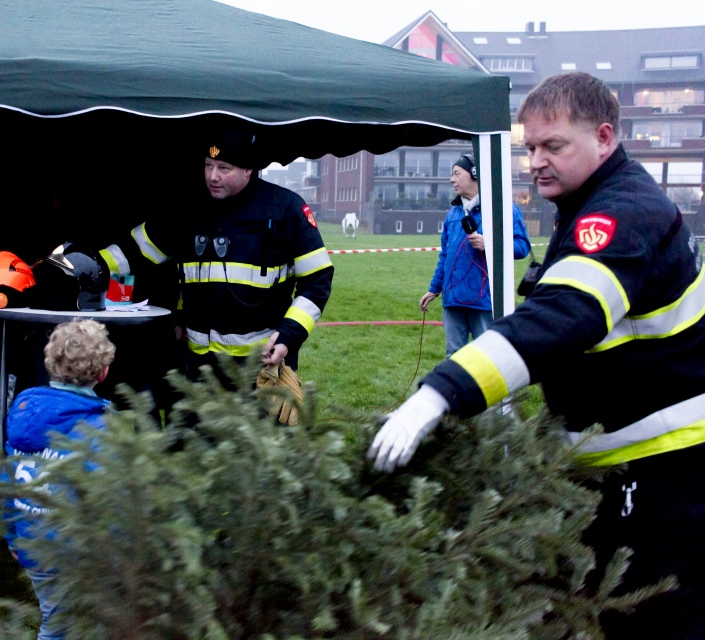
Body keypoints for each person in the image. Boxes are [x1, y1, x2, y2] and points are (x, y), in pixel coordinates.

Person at [367, 72, 705, 638]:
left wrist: (438, 395)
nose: (537, 162)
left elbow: (561, 317)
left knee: (653, 622)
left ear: (603, 137)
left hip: (666, 481)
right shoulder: (589, 204)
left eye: (554, 146)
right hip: (626, 472)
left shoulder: (618, 216)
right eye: (530, 148)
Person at [98, 127, 334, 379]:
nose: (212, 176)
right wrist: (90, 267)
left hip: (259, 367)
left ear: (248, 169)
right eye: (208, 165)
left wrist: (290, 335)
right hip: (198, 367)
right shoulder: (188, 208)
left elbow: (317, 280)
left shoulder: (285, 209)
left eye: (224, 168)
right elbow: (136, 252)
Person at [3, 319, 116, 640]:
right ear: (103, 372)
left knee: (57, 616)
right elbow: (112, 499)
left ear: (50, 363)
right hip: (79, 550)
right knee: (69, 625)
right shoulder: (100, 429)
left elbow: (8, 484)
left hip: (33, 542)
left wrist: (13, 536)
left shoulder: (26, 412)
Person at [420, 153, 531, 356]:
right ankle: (455, 390)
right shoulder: (453, 214)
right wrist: (434, 289)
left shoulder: (502, 210)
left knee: (488, 358)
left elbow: (522, 247)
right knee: (453, 358)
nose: (451, 179)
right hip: (452, 301)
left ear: (474, 174)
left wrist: (489, 244)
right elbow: (445, 256)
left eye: (456, 173)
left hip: (484, 302)